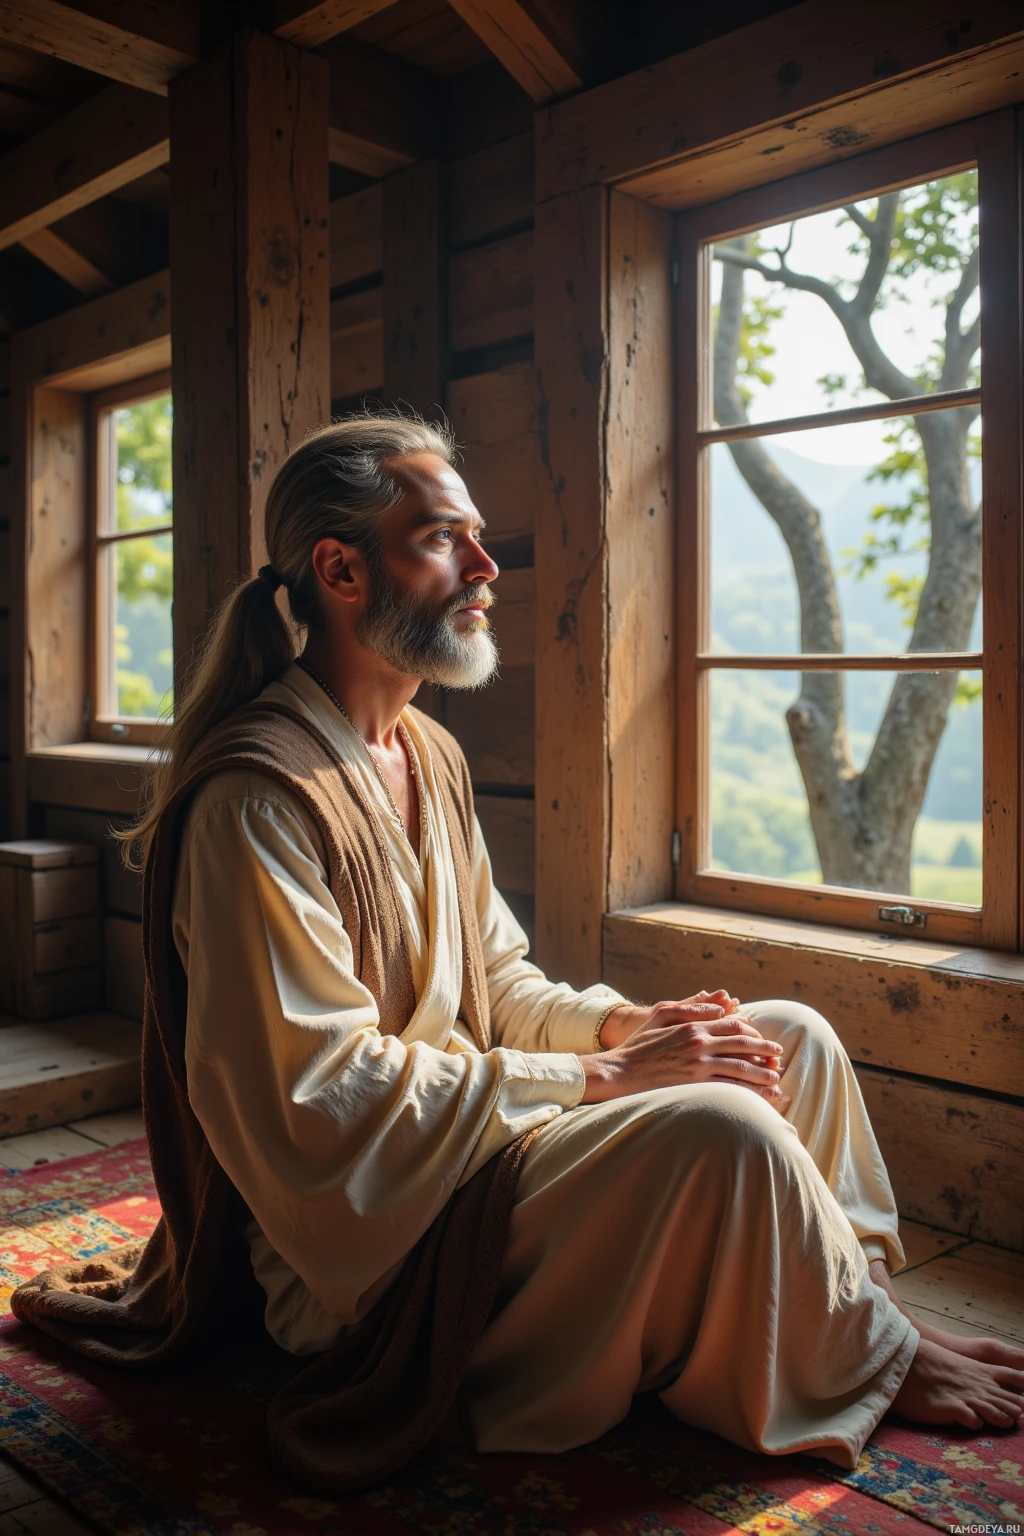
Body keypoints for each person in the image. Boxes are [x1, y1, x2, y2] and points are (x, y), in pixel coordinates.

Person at [15, 414, 1023, 1489]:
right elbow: (320, 1097)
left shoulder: (428, 756)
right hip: (379, 1244)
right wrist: (601, 1077)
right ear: (341, 568)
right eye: (445, 537)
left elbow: (497, 982)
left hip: (472, 1143)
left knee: (788, 1041)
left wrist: (627, 1027)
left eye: (477, 537)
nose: (488, 567)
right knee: (724, 1124)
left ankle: (848, 1318)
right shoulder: (254, 801)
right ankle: (852, 1347)